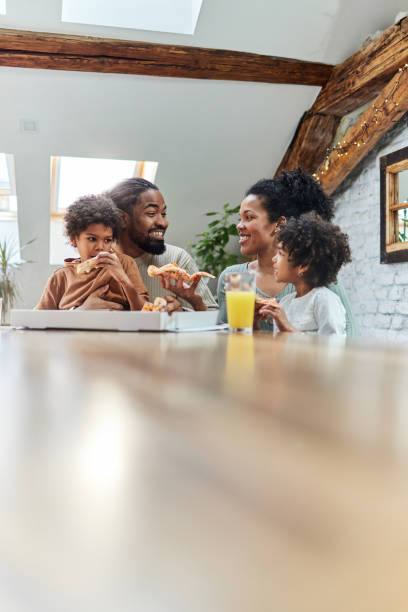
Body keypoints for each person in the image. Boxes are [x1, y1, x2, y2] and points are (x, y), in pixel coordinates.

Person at [217, 168, 358, 335]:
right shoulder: (235, 279)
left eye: (249, 217)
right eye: (239, 218)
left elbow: (346, 339)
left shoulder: (316, 280)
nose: (239, 226)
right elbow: (228, 339)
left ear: (279, 223)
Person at [106, 178, 218, 313]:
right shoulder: (95, 263)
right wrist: (81, 310)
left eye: (163, 214)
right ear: (121, 219)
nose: (163, 222)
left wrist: (186, 309)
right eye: (151, 214)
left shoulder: (176, 259)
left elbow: (214, 318)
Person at [36, 194, 149, 310]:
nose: (100, 247)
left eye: (107, 240)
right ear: (74, 239)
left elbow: (145, 313)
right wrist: (81, 311)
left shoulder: (124, 264)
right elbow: (37, 321)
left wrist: (123, 279)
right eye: (92, 239)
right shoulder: (61, 277)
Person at [258, 213, 351, 334]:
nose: (274, 259)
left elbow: (332, 347)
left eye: (280, 254)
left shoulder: (324, 300)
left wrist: (287, 326)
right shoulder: (285, 302)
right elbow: (280, 345)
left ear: (302, 266)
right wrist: (254, 324)